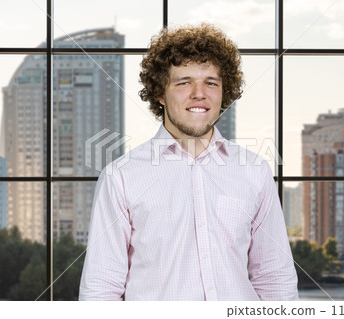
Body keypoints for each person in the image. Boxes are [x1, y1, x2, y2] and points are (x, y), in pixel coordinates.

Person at [79, 24, 298, 301]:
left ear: (223, 92)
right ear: (160, 93)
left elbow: (275, 277)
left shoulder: (255, 171)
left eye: (211, 82)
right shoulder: (121, 177)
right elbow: (101, 288)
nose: (199, 93)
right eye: (184, 82)